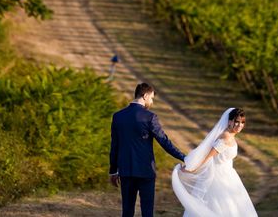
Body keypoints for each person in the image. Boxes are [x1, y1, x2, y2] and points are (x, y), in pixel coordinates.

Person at [110, 82, 186, 217]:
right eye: (151, 98)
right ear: (145, 96)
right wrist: (184, 157)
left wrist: (113, 171)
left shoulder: (118, 116)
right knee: (147, 211)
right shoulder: (150, 117)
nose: (151, 102)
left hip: (126, 170)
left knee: (127, 211)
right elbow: (164, 141)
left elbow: (114, 145)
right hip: (145, 171)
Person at [171, 108, 257, 217]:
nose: (239, 125)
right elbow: (208, 157)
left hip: (229, 175)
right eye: (237, 121)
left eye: (242, 122)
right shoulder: (226, 137)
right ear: (230, 121)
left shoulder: (231, 136)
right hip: (217, 177)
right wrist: (193, 169)